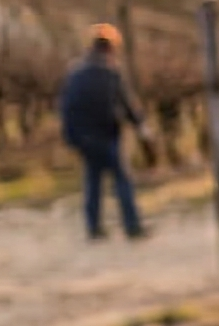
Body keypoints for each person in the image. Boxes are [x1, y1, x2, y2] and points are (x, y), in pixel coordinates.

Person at [57, 24, 150, 240]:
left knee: (93, 181)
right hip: (108, 135)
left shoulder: (76, 73)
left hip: (85, 138)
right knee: (122, 181)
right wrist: (141, 126)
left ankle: (94, 228)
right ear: (110, 47)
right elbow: (126, 104)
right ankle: (132, 225)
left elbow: (66, 107)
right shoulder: (110, 73)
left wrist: (72, 137)